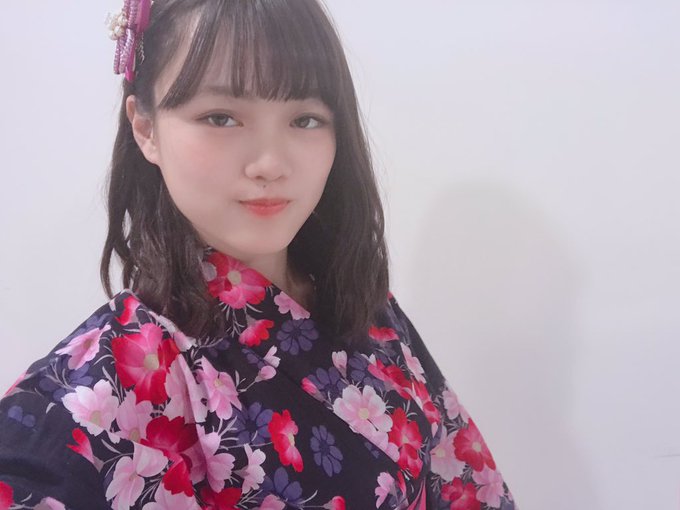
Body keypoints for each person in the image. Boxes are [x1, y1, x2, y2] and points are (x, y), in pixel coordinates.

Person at [0, 1, 517, 509]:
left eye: (306, 119)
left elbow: (463, 480)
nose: (270, 163)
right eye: (221, 117)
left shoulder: (369, 310)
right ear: (146, 128)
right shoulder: (95, 390)